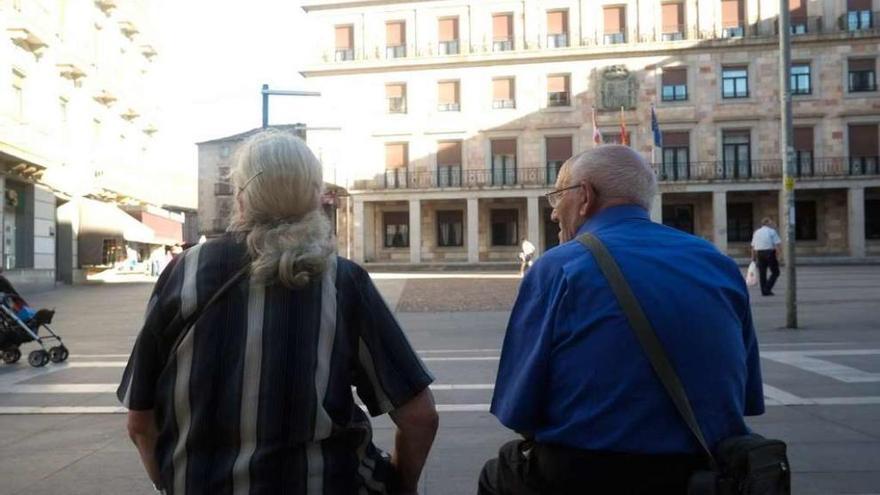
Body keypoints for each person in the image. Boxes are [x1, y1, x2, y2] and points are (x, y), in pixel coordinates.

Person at [118, 130, 438, 495]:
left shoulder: (182, 272)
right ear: (315, 199)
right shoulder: (343, 281)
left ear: (242, 199)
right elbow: (419, 418)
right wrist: (404, 487)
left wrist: (170, 483)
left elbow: (140, 422)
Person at [479, 145, 764, 494]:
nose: (553, 213)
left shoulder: (559, 267)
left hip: (588, 472)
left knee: (499, 473)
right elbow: (745, 398)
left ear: (585, 196)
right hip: (704, 473)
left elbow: (519, 412)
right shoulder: (718, 263)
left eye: (557, 197)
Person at [751, 217, 782, 296]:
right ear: (767, 223)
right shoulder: (772, 231)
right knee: (776, 272)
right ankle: (767, 288)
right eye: (770, 222)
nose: (771, 224)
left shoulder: (756, 232)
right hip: (770, 253)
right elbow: (777, 245)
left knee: (762, 273)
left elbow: (753, 246)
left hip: (759, 253)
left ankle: (764, 291)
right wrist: (779, 256)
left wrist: (753, 257)